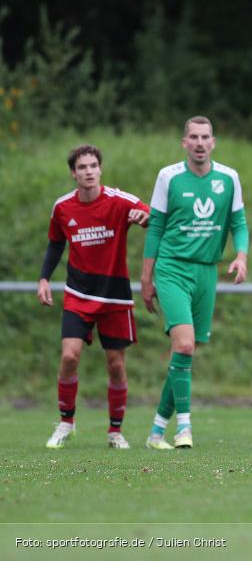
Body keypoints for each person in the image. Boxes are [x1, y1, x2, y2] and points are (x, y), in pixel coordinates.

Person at [142, 116, 249, 450]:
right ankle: (184, 427)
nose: (199, 143)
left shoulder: (228, 178)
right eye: (193, 137)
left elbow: (239, 223)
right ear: (184, 142)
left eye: (205, 137)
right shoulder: (169, 177)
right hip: (172, 268)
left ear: (213, 142)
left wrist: (241, 256)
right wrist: (146, 277)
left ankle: (156, 431)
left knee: (183, 353)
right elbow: (155, 227)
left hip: (206, 272)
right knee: (185, 345)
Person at [39, 144, 150, 449]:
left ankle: (115, 431)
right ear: (73, 173)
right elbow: (55, 244)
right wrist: (44, 278)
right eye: (82, 167)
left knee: (115, 365)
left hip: (115, 296)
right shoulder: (62, 207)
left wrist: (144, 218)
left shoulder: (119, 200)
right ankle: (66, 423)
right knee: (69, 356)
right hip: (78, 293)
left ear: (100, 169)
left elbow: (152, 217)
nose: (89, 172)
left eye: (93, 166)